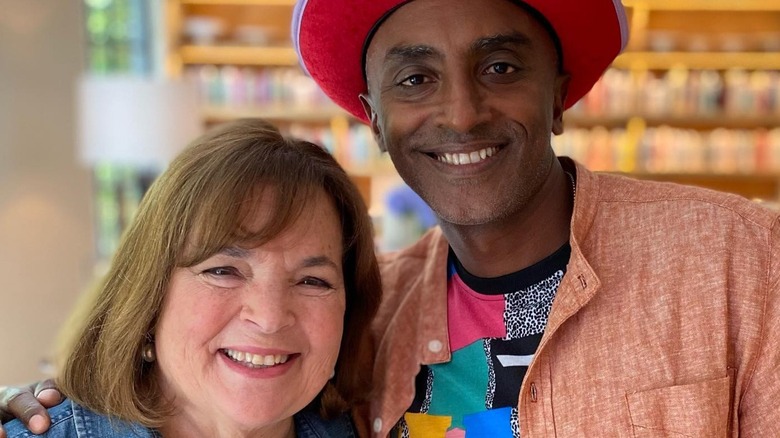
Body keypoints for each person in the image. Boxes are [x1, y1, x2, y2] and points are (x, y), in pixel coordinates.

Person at [3, 0, 780, 436]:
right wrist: (55, 412)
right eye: (415, 78)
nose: (461, 112)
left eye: (501, 67)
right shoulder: (365, 325)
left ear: (559, 94)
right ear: (374, 120)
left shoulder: (740, 258)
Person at [0, 118, 381, 438]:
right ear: (148, 297)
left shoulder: (382, 424)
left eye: (312, 281)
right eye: (223, 271)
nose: (269, 318)